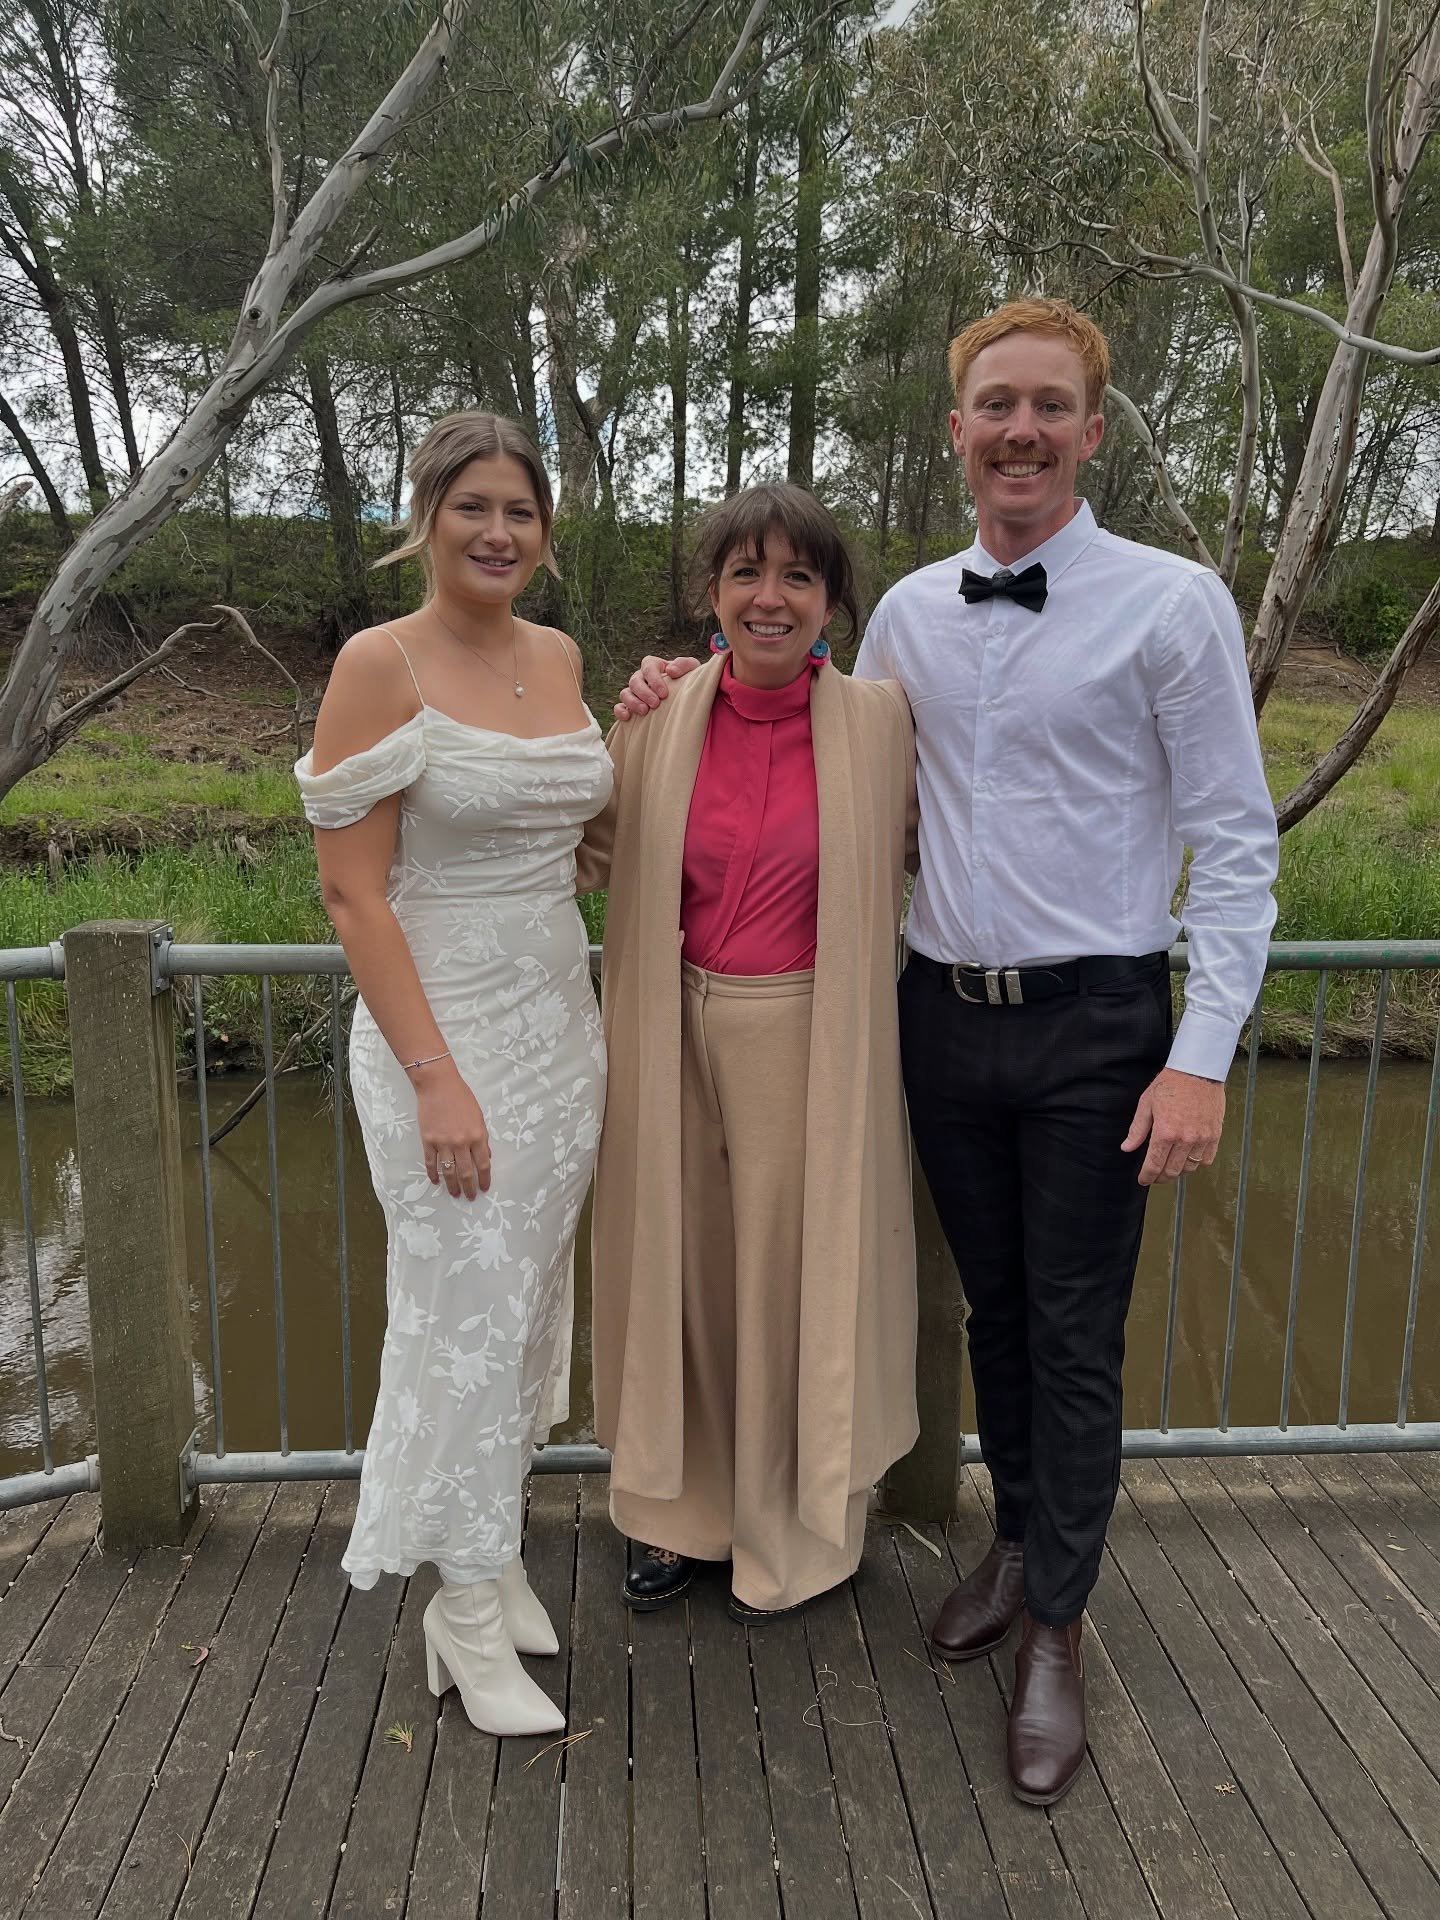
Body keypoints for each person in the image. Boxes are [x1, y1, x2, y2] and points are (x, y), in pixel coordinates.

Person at [613, 299, 1278, 1803]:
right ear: (959, 431)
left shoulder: (1174, 606)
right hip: (937, 1018)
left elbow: (1235, 847)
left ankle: (1057, 1625)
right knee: (993, 1317)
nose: (1022, 429)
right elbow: (782, 708)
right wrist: (665, 688)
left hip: (1103, 1022)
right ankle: (1022, 1540)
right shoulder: (907, 614)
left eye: (1051, 405)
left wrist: (1207, 1052)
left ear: (1094, 430)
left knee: (1072, 1332)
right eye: (996, 405)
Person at [295, 412, 612, 1738]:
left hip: (560, 1027)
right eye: (471, 506)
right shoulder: (383, 663)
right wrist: (435, 1079)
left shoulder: (559, 652)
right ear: (424, 518)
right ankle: (463, 1615)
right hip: (445, 1041)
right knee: (462, 1315)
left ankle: (495, 1556)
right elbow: (352, 894)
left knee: (527, 1310)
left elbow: (566, 821)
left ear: (545, 535)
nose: (497, 532)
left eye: (521, 513)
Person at [575, 483, 920, 1621]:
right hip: (667, 1022)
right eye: (745, 574)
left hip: (807, 1031)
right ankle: (679, 1515)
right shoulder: (653, 718)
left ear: (832, 602)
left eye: (798, 578)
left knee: (789, 1276)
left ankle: (794, 1523)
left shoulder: (883, 727)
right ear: (711, 595)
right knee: (682, 1271)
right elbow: (587, 848)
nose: (770, 598)